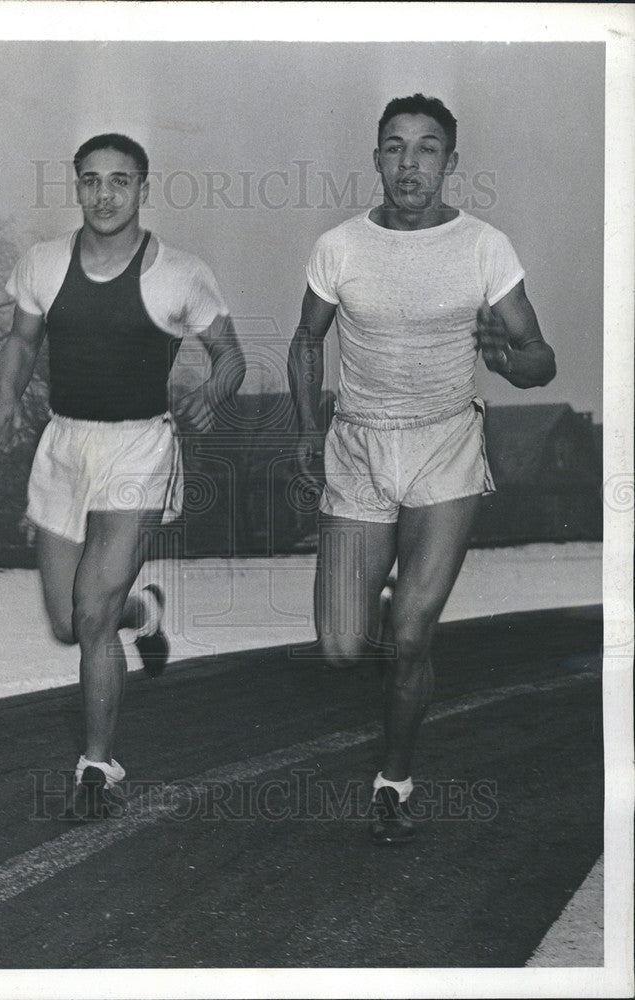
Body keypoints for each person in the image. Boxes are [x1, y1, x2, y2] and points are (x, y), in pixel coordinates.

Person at [287, 94, 556, 844]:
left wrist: (508, 360)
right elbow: (306, 342)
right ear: (376, 158)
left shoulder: (484, 248)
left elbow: (540, 356)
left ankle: (393, 781)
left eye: (427, 148)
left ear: (449, 162)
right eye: (396, 148)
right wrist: (308, 429)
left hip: (443, 449)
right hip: (357, 450)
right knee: (343, 646)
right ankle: (381, 606)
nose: (410, 164)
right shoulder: (337, 246)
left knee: (408, 634)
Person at [0, 133, 244, 819]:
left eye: (119, 181)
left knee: (91, 615)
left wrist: (210, 394)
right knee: (67, 622)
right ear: (77, 187)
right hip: (64, 447)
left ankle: (97, 768)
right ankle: (145, 611)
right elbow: (20, 339)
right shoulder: (43, 264)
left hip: (138, 449)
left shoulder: (178, 272)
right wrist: (8, 398)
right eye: (92, 181)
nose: (105, 195)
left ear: (141, 188)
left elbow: (230, 355)